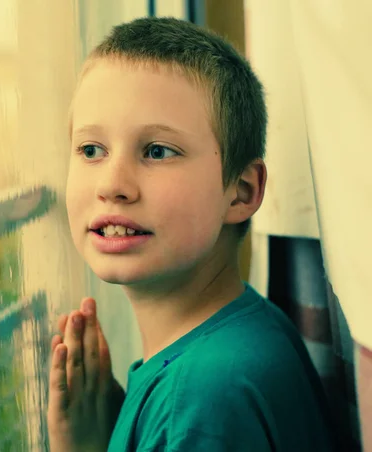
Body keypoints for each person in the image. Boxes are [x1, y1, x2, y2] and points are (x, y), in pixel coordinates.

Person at [47, 16, 337, 452]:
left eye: (158, 151)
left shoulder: (200, 401)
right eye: (92, 150)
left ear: (241, 192)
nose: (112, 185)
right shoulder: (250, 328)